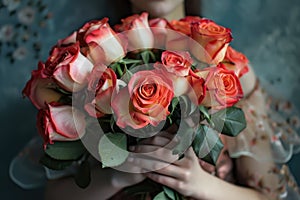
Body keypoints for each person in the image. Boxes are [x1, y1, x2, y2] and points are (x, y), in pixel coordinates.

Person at [10, 0, 300, 199]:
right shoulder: (89, 61)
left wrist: (200, 185)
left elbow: (268, 194)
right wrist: (118, 176)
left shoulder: (234, 70)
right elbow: (56, 195)